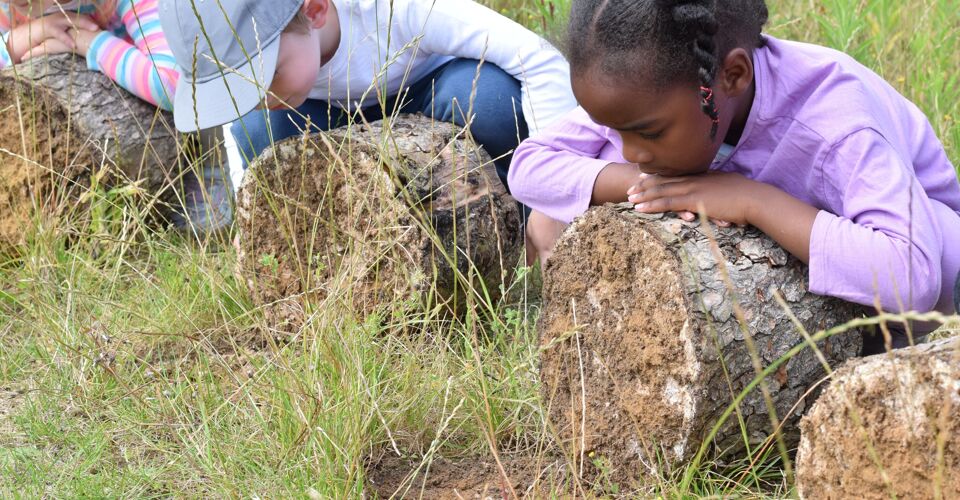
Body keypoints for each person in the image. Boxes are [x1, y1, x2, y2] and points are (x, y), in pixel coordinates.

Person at [507, 0, 960, 350]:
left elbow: (915, 277)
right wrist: (653, 188)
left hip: (926, 273)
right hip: (808, 254)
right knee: (547, 219)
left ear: (733, 76)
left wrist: (752, 201)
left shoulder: (833, 123)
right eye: (614, 128)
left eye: (647, 132)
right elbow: (529, 167)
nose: (631, 151)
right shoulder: (654, 91)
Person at [157, 0, 577, 198]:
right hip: (331, 119)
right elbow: (238, 135)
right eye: (240, 91)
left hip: (434, 94)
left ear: (316, 10)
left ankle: (513, 217)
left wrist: (553, 194)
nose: (261, 97)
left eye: (265, 76)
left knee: (490, 102)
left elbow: (540, 60)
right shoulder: (279, 96)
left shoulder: (391, 9)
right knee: (255, 133)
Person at [1, 0, 232, 234]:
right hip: (82, 127)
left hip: (162, 125)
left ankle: (209, 171)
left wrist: (90, 42)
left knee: (199, 81)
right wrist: (18, 39)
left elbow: (174, 84)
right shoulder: (8, 7)